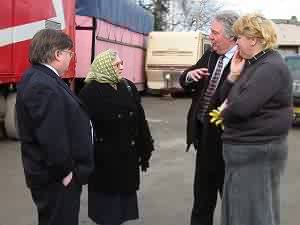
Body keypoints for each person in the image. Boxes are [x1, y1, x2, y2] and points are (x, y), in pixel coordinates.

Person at [219, 13, 293, 225]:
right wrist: (233, 76)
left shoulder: (270, 67)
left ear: (253, 39)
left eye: (238, 37)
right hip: (247, 152)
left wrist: (224, 112)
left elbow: (241, 107)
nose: (236, 42)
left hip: (257, 151)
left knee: (253, 214)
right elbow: (223, 98)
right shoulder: (252, 64)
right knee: (244, 212)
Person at [16, 29, 94, 225]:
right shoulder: (42, 84)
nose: (71, 58)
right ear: (58, 54)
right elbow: (51, 136)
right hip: (57, 179)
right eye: (70, 53)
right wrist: (67, 173)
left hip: (54, 176)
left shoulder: (41, 78)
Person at [79, 49, 154, 225]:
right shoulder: (89, 92)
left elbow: (140, 120)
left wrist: (145, 148)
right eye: (116, 64)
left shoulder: (128, 86)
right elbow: (83, 130)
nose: (121, 67)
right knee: (106, 212)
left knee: (121, 211)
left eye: (122, 63)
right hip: (104, 162)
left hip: (127, 158)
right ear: (104, 67)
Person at [179, 11, 239, 225]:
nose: (210, 36)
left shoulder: (244, 62)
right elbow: (185, 77)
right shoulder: (211, 55)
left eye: (215, 33)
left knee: (233, 205)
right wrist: (188, 76)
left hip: (227, 145)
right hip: (203, 140)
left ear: (232, 37)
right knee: (202, 202)